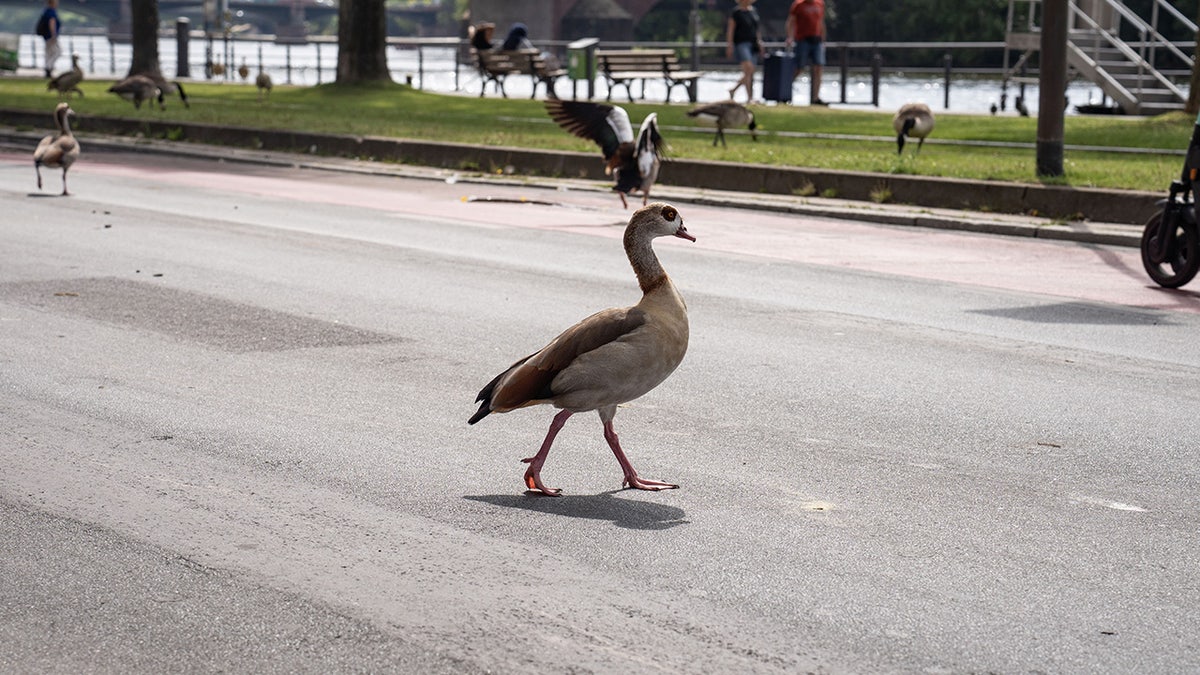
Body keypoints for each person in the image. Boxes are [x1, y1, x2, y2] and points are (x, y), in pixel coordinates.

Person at [785, 0, 826, 106]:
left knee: (818, 68)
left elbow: (821, 22)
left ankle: (815, 98)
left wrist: (823, 39)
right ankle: (785, 92)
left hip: (817, 40)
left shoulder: (819, 3)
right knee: (799, 68)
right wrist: (790, 37)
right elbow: (790, 21)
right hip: (802, 40)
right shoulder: (798, 5)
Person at [726, 0, 764, 103]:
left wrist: (759, 42)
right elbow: (731, 30)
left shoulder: (753, 11)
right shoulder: (736, 13)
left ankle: (735, 90)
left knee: (750, 72)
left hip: (753, 44)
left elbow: (756, 29)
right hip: (741, 43)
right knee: (748, 68)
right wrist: (729, 46)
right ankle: (749, 98)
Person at [36, 0, 61, 78]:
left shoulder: (45, 11)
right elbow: (52, 23)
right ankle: (48, 68)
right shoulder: (51, 12)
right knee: (58, 52)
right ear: (53, 3)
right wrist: (54, 35)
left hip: (46, 36)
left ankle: (47, 69)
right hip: (50, 36)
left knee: (48, 53)